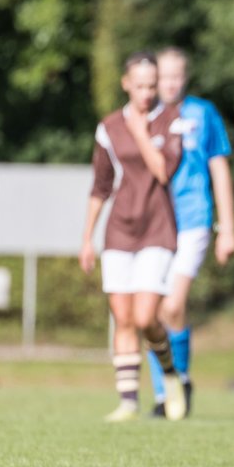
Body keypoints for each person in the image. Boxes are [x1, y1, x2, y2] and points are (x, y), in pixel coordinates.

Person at [79, 51, 189, 422]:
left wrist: (142, 132)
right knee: (122, 317)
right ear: (126, 84)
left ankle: (171, 375)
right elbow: (100, 186)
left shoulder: (173, 120)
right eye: (139, 85)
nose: (146, 93)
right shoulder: (107, 128)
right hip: (119, 232)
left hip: (158, 230)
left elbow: (163, 172)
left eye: (152, 85)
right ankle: (128, 401)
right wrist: (86, 239)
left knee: (145, 317)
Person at [142, 47, 234, 418]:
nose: (169, 83)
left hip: (194, 220)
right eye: (162, 77)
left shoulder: (203, 113)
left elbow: (219, 169)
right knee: (151, 311)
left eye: (176, 76)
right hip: (154, 223)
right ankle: (167, 392)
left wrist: (226, 228)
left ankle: (178, 380)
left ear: (186, 78)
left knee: (172, 304)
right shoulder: (144, 116)